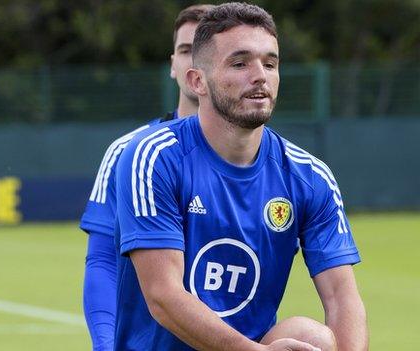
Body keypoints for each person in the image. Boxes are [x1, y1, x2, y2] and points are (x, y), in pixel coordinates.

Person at [114, 3, 368, 351]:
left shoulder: (310, 176)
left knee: (314, 339)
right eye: (240, 62)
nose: (260, 75)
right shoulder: (153, 155)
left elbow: (342, 297)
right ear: (196, 81)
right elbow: (163, 295)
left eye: (270, 63)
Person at [79, 4, 213, 350]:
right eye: (186, 51)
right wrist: (105, 345)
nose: (194, 62)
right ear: (172, 65)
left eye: (205, 50)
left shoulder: (268, 161)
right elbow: (102, 261)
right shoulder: (127, 151)